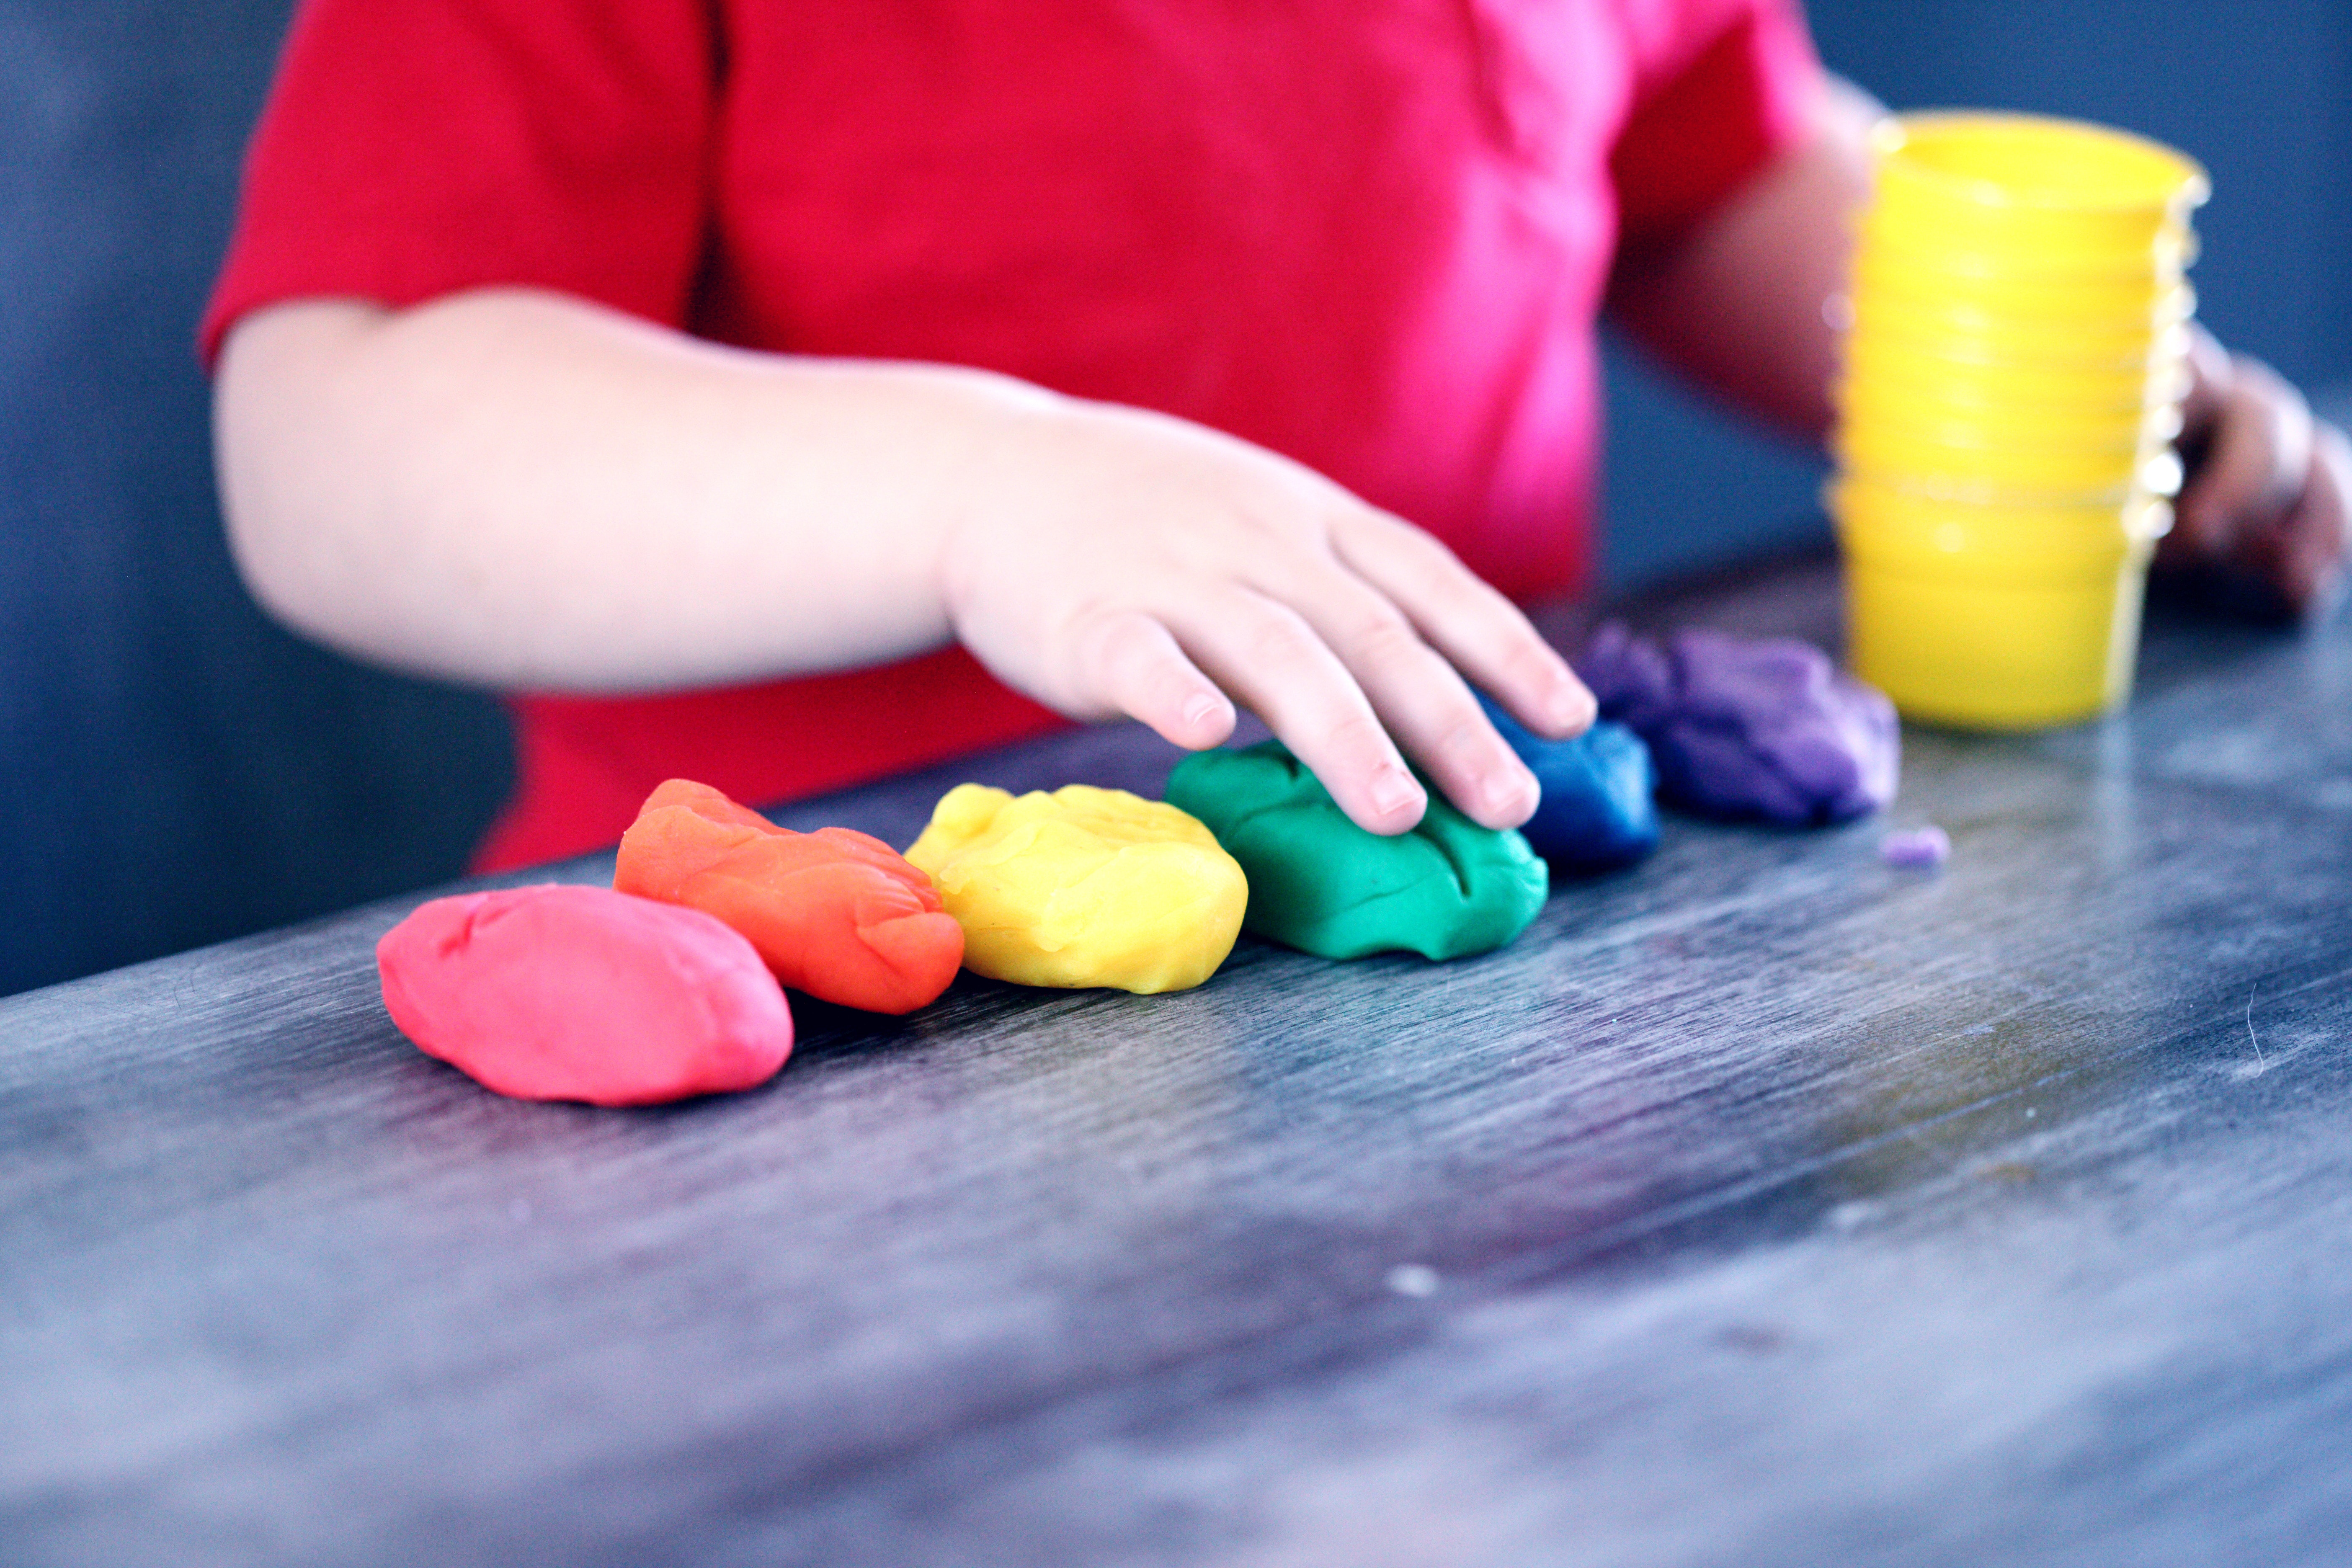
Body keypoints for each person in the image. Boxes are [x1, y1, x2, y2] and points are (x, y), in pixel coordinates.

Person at [205, 0, 2349, 872]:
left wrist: (2060, 395)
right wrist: (986, 493)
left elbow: (1706, 167)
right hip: (813, 1016)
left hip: (1481, 953)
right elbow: (341, 430)